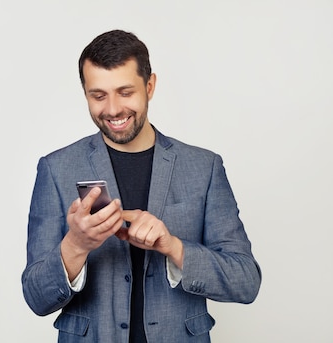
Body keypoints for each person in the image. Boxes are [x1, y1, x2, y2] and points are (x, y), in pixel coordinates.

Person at [21, 29, 261, 343]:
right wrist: (76, 246)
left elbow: (245, 281)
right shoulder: (55, 169)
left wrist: (172, 247)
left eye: (125, 92)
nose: (113, 109)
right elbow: (36, 297)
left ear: (149, 86)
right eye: (98, 95)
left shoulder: (204, 167)